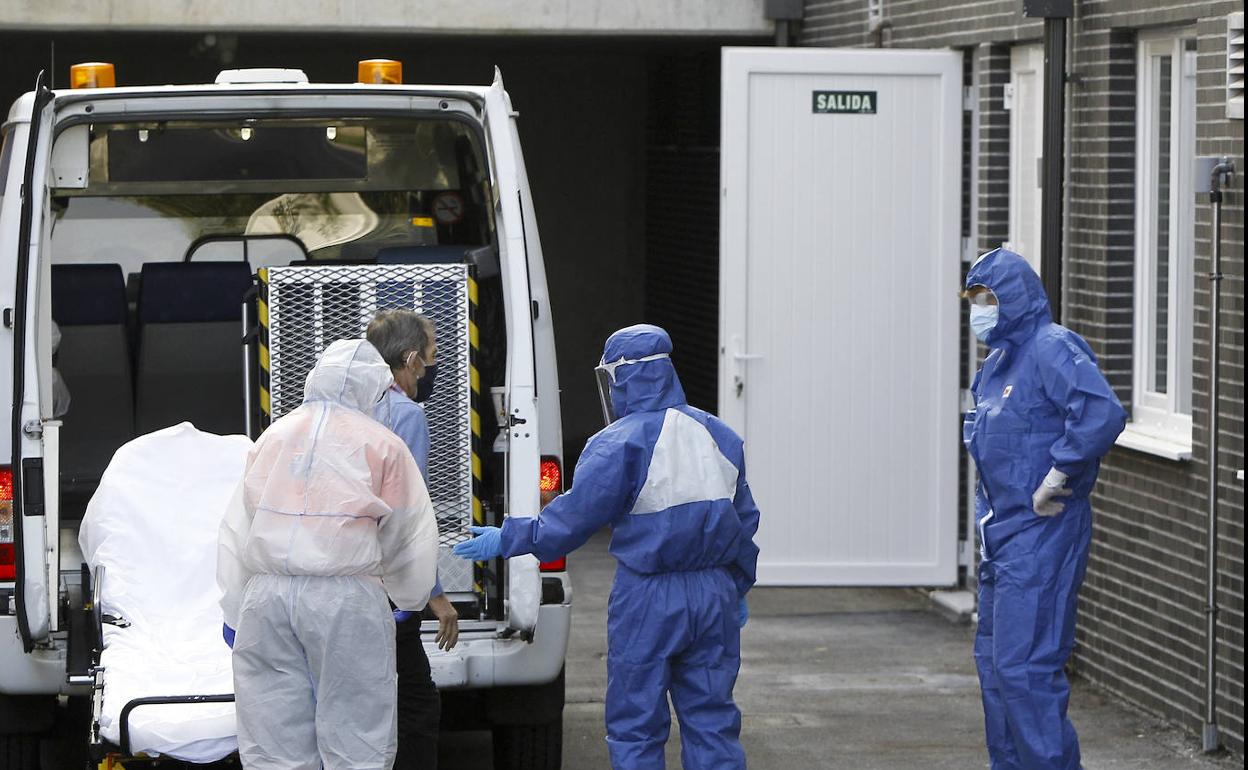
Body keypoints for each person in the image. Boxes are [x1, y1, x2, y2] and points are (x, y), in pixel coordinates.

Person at [454, 323, 760, 770]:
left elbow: (573, 520)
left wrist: (512, 536)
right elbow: (745, 522)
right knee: (712, 720)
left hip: (649, 599)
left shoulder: (617, 444)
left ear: (623, 377)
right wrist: (737, 587)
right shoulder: (720, 435)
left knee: (636, 723)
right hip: (715, 595)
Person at [217, 338, 439, 770]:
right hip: (346, 601)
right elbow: (408, 535)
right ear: (370, 390)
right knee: (357, 740)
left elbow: (236, 529)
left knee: (274, 741)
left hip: (267, 602)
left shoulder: (274, 437)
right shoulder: (383, 445)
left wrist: (233, 610)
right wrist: (408, 598)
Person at [963, 248, 1127, 770]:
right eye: (972, 300)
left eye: (987, 298)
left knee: (1026, 669)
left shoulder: (1052, 348)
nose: (979, 310)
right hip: (1003, 533)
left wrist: (1060, 472)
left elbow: (1100, 412)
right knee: (995, 667)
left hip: (1044, 528)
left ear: (1012, 298)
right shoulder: (996, 366)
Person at [366, 309, 459, 770]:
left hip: (344, 580)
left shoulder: (349, 407)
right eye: (431, 356)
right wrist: (435, 596)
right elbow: (407, 519)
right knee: (417, 706)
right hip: (388, 593)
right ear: (410, 361)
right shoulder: (405, 415)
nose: (433, 365)